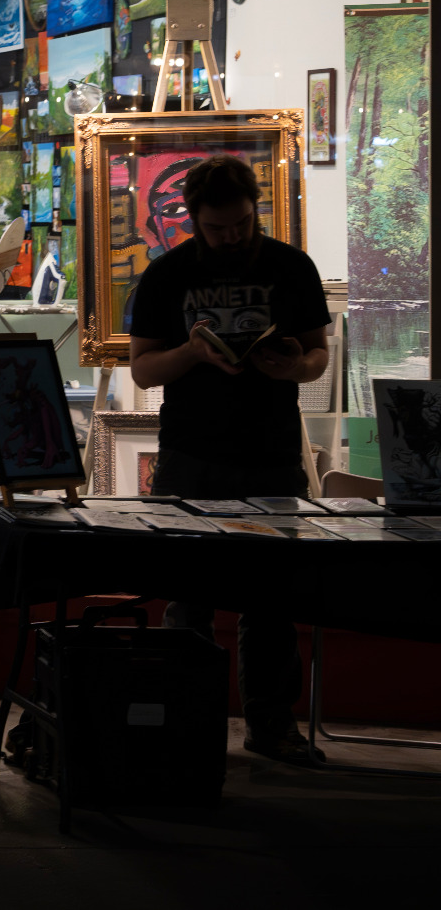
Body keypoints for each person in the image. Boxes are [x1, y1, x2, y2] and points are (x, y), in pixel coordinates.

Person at [128, 154, 332, 766]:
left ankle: (270, 725)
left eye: (243, 224)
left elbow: (319, 354)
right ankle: (183, 721)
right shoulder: (166, 276)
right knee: (188, 598)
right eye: (217, 229)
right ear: (193, 220)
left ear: (255, 210)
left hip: (271, 454)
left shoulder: (292, 267)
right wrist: (191, 353)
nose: (232, 237)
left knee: (271, 601)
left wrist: (296, 366)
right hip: (191, 454)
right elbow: (142, 368)